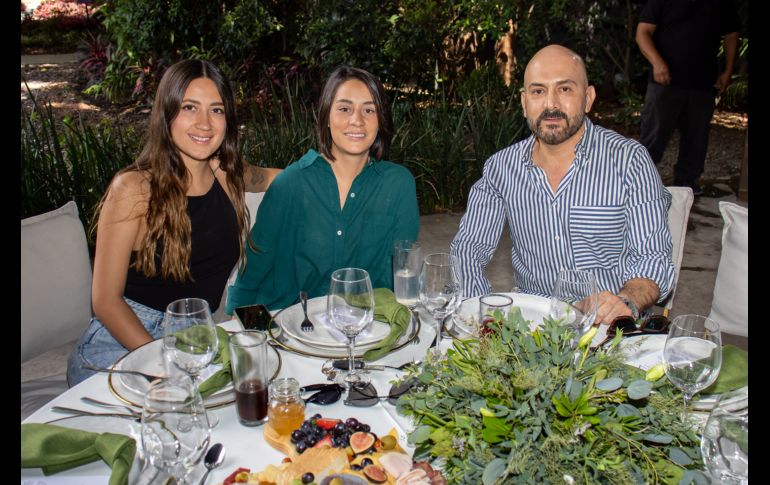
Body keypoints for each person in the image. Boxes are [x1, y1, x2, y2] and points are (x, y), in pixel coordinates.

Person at [66, 59, 281, 386]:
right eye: (189, 107)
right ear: (166, 114)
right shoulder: (134, 189)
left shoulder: (226, 174)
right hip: (125, 343)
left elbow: (279, 178)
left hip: (198, 339)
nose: (205, 124)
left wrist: (337, 164)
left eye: (217, 110)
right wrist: (162, 363)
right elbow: (106, 300)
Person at [450, 44, 675, 325]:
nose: (551, 104)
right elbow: (469, 249)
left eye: (565, 89)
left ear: (588, 98)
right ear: (524, 103)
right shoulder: (501, 168)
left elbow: (653, 258)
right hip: (534, 327)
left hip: (607, 325)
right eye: (538, 91)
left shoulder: (629, 161)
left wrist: (624, 301)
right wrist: (482, 314)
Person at [225, 65, 420, 312]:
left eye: (369, 110)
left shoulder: (398, 185)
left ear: (380, 120)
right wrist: (242, 340)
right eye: (344, 108)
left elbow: (403, 275)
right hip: (291, 327)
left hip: (366, 329)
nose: (357, 120)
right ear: (326, 116)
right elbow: (250, 277)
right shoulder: (291, 184)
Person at [636, 0, 740, 196]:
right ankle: (637, 182)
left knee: (697, 138)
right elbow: (643, 32)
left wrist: (728, 70)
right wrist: (657, 63)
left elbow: (731, 34)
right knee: (653, 135)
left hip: (703, 83)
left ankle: (687, 184)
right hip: (664, 82)